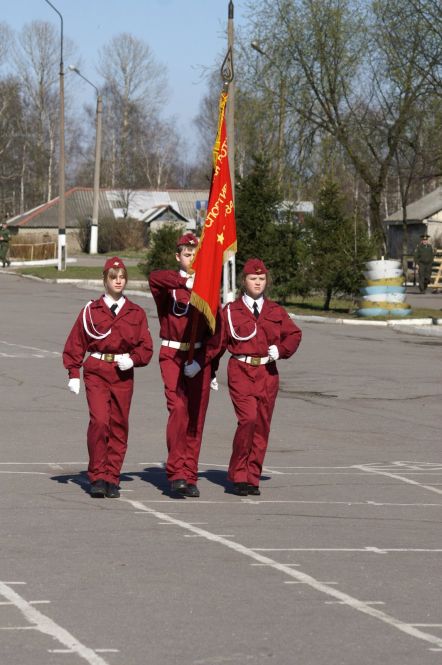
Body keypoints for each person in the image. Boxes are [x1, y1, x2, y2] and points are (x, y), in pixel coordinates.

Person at [63, 257, 153, 498]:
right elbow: (76, 342)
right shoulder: (91, 311)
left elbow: (146, 346)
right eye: (113, 277)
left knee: (119, 425)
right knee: (100, 422)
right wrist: (73, 373)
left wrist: (133, 359)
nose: (118, 281)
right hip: (97, 370)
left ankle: (112, 477)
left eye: (122, 277)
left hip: (122, 372)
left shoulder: (136, 312)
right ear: (104, 280)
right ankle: (97, 476)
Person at [148, 233, 223, 498]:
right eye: (187, 254)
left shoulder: (208, 289)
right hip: (172, 353)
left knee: (195, 418)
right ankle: (176, 472)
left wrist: (204, 363)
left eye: (195, 254)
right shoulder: (170, 285)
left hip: (197, 357)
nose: (191, 258)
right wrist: (185, 281)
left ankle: (190, 475)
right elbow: (154, 278)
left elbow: (218, 334)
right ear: (178, 256)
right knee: (178, 409)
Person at [219, 258, 302, 496]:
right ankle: (238, 475)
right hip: (241, 371)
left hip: (267, 373)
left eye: (262, 278)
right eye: (253, 278)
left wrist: (281, 350)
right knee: (248, 419)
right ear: (243, 281)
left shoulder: (275, 311)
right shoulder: (231, 311)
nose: (257, 282)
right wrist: (208, 370)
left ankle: (252, 477)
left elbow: (294, 334)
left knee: (262, 425)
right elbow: (218, 343)